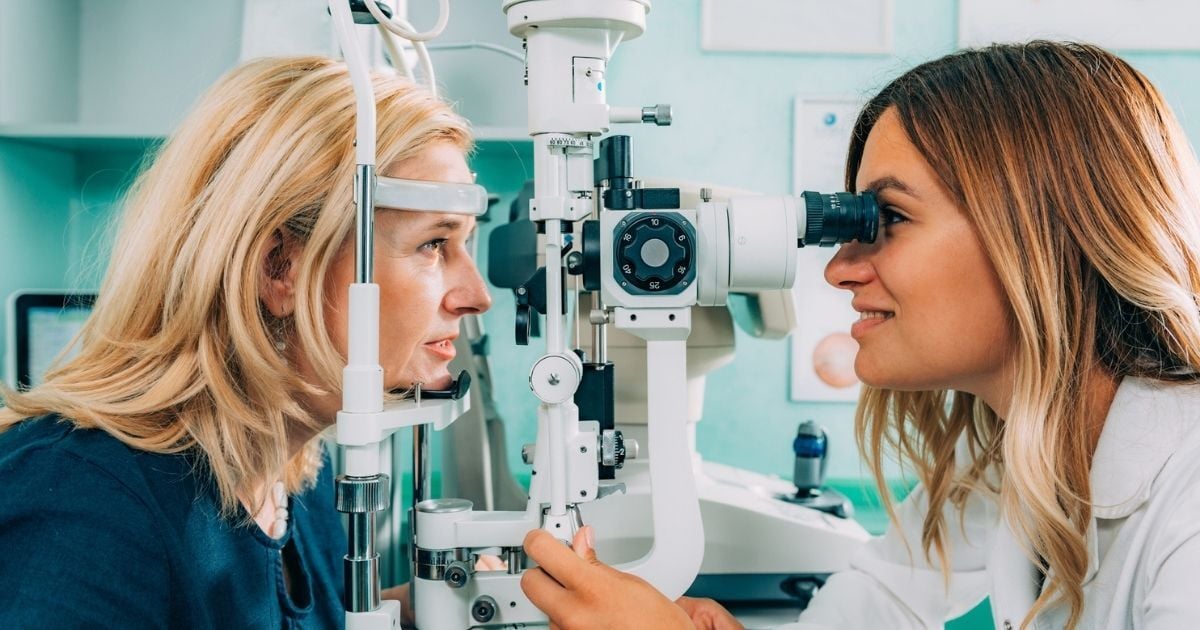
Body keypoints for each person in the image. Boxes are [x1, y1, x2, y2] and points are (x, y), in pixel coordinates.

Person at [520, 41, 1200, 630]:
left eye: (892, 218)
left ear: (1042, 233)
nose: (841, 269)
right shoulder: (1010, 456)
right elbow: (876, 608)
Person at [0, 56, 491, 627]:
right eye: (434, 243)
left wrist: (420, 614)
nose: (477, 295)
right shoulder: (83, 507)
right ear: (281, 267)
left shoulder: (298, 474)